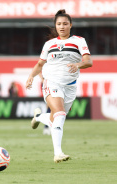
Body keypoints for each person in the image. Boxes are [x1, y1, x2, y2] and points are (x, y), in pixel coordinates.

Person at [26, 9, 92, 163]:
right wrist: (31, 76)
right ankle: (58, 153)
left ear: (71, 25)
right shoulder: (49, 44)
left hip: (70, 86)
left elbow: (89, 62)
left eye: (65, 24)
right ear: (55, 26)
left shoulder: (79, 41)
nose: (62, 27)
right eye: (59, 24)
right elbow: (40, 64)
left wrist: (78, 64)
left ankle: (37, 117)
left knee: (55, 119)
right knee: (60, 114)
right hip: (51, 82)